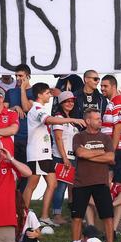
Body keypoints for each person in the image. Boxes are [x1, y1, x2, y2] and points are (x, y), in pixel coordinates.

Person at [24, 83, 86, 225]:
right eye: (47, 93)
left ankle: (45, 217)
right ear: (39, 95)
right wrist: (72, 119)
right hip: (37, 153)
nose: (49, 95)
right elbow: (49, 120)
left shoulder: (40, 108)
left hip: (46, 154)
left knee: (53, 184)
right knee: (31, 186)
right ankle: (23, 214)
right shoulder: (37, 108)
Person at [71, 108, 115, 242]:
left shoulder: (106, 137)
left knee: (108, 217)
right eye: (97, 118)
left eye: (100, 118)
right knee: (77, 217)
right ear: (88, 121)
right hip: (81, 183)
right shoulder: (79, 137)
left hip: (101, 182)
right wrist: (100, 152)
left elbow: (111, 157)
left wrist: (89, 153)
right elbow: (80, 153)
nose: (100, 120)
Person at [50, 91, 81, 224]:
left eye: (72, 101)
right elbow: (58, 138)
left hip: (71, 157)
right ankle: (56, 215)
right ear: (61, 103)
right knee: (60, 186)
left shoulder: (71, 119)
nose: (70, 103)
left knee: (68, 186)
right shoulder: (58, 117)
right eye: (67, 101)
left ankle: (62, 213)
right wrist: (64, 158)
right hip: (61, 157)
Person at [3, 65, 34, 192]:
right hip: (13, 137)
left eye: (20, 76)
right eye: (16, 76)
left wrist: (22, 89)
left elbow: (27, 107)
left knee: (26, 172)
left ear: (28, 76)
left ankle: (21, 204)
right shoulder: (10, 92)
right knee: (13, 170)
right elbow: (3, 111)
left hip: (29, 137)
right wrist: (14, 108)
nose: (17, 78)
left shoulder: (34, 91)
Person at [100, 75, 121, 186]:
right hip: (114, 148)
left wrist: (111, 151)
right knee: (110, 182)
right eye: (101, 86)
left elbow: (118, 126)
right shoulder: (112, 102)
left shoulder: (118, 100)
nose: (102, 88)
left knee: (114, 183)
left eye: (105, 86)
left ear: (114, 87)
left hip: (117, 149)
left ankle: (116, 203)